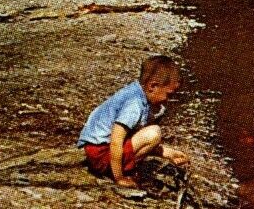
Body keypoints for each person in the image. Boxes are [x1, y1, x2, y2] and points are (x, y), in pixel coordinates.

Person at [78, 54, 189, 187]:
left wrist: (167, 153)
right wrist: (119, 177)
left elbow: (134, 138)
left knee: (152, 127)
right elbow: (116, 141)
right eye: (169, 94)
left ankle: (121, 166)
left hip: (100, 149)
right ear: (152, 86)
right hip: (100, 153)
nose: (168, 100)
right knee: (153, 133)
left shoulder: (138, 92)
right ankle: (116, 170)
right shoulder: (134, 104)